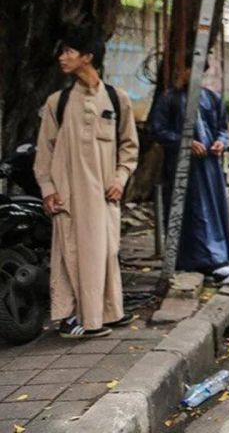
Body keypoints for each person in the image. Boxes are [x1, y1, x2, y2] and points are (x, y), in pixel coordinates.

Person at [33, 26, 139, 339]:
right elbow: (44, 152)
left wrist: (121, 178)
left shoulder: (117, 100)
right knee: (71, 254)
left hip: (105, 195)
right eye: (62, 51)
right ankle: (72, 319)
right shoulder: (58, 102)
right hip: (70, 195)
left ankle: (107, 312)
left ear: (87, 57)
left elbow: (129, 146)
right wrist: (48, 189)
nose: (62, 58)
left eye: (69, 51)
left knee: (105, 251)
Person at [149, 62, 229, 285]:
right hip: (182, 169)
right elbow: (157, 130)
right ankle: (206, 262)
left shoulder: (212, 98)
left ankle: (217, 259)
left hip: (209, 166)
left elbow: (222, 128)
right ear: (183, 70)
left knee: (213, 210)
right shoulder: (169, 99)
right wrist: (184, 143)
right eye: (189, 69)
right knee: (191, 212)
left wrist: (221, 142)